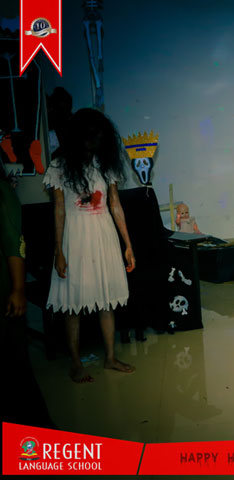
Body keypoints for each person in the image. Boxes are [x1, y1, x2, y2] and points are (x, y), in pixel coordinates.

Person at [44, 108, 136, 383]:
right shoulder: (59, 166)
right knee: (73, 303)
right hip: (75, 237)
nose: (93, 142)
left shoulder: (105, 164)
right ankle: (75, 363)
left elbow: (115, 204)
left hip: (103, 234)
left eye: (97, 137)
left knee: (107, 299)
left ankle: (110, 357)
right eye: (88, 137)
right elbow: (59, 209)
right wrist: (58, 250)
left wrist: (128, 244)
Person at [1, 167, 54, 427]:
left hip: (5, 292)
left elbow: (14, 242)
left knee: (16, 371)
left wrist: (19, 290)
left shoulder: (1, 191)